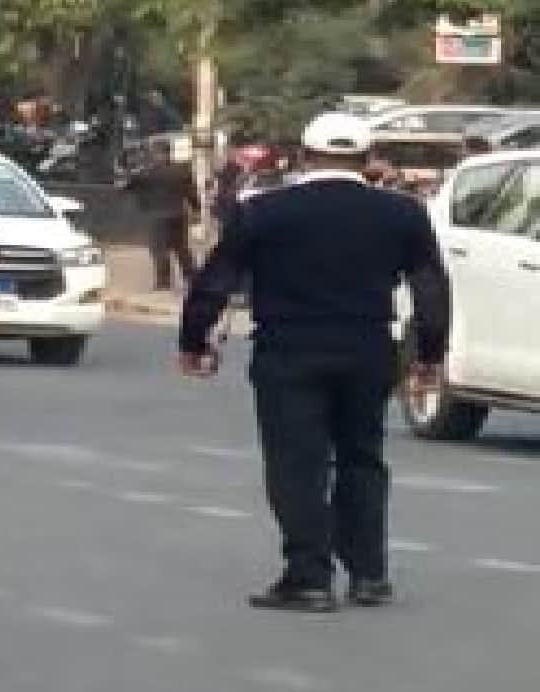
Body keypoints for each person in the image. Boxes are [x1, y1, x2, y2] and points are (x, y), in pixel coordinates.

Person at [177, 112, 451, 613]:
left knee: (296, 464)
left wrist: (195, 340)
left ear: (304, 157)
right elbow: (431, 290)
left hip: (289, 348)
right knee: (362, 458)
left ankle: (308, 576)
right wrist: (431, 354)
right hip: (368, 348)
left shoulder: (262, 211)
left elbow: (216, 280)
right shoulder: (402, 213)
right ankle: (369, 574)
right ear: (367, 162)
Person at [127, 140, 201, 291]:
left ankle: (163, 282)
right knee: (182, 248)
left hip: (156, 216)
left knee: (159, 250)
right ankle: (192, 278)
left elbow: (128, 186)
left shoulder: (146, 172)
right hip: (178, 214)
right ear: (169, 152)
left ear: (156, 154)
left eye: (153, 153)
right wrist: (196, 209)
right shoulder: (181, 170)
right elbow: (191, 193)